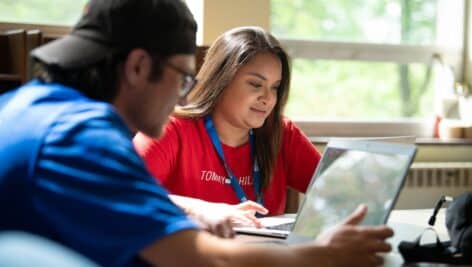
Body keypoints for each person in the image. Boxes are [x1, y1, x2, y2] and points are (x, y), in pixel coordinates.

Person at [0, 0, 393, 266]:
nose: (184, 93)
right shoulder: (81, 138)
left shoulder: (24, 106)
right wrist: (321, 254)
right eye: (184, 76)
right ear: (138, 67)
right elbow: (203, 259)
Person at [133, 26, 320, 225]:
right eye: (256, 84)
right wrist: (201, 210)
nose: (268, 98)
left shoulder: (282, 133)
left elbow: (341, 193)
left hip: (263, 253)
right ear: (221, 81)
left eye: (274, 87)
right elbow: (122, 189)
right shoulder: (170, 128)